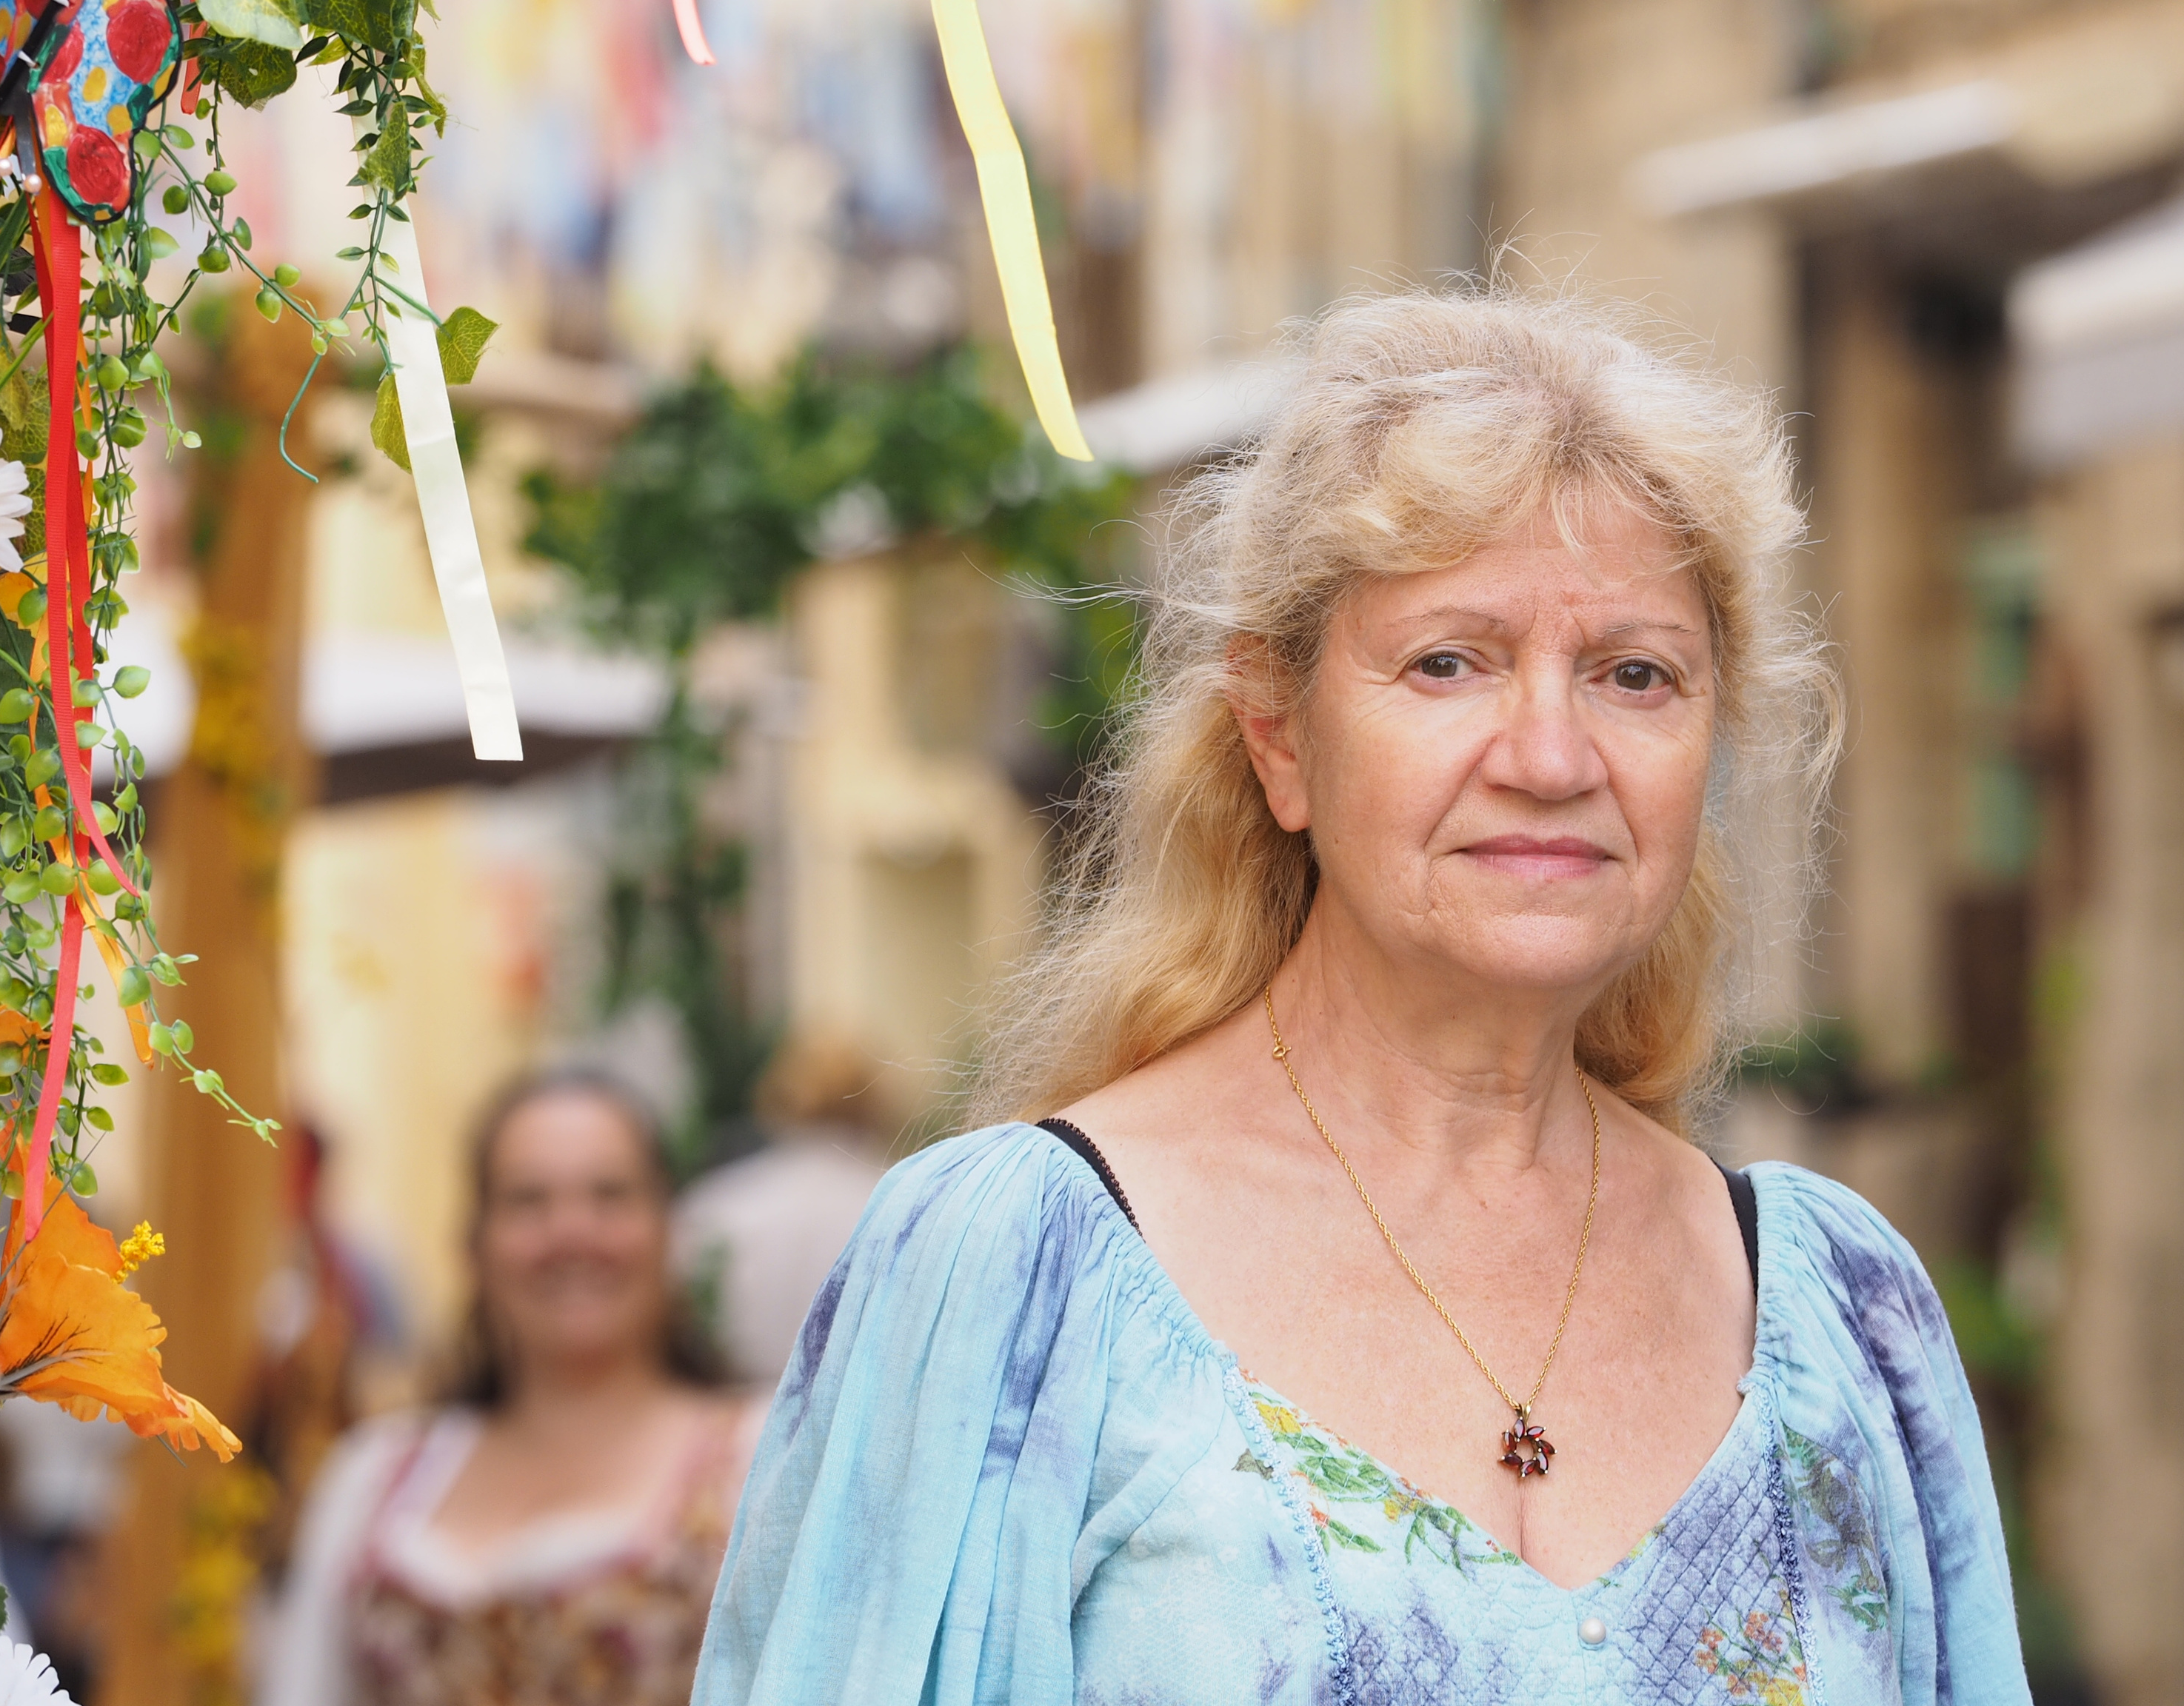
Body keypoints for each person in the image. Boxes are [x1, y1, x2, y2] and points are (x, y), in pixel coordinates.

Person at [694, 291, 2030, 1704]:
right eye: (1448, 660)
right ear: (1277, 734)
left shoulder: (1839, 1313)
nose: (1550, 755)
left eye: (1635, 674)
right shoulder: (1018, 1270)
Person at [267, 1070, 758, 1706]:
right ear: (474, 1245)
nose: (571, 1234)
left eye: (610, 1196)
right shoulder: (374, 1477)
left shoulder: (755, 1464)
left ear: (668, 1230)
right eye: (528, 1201)